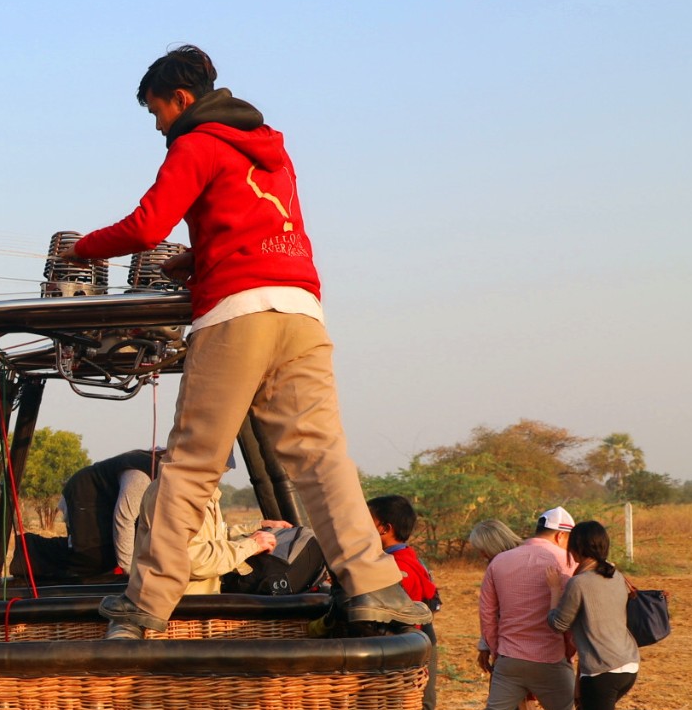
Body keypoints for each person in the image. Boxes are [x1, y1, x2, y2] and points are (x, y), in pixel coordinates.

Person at [55, 46, 428, 639]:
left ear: (180, 99)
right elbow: (258, 223)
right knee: (321, 458)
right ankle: (373, 588)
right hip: (301, 311)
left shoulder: (196, 142)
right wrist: (196, 261)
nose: (158, 127)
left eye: (157, 113)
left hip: (237, 315)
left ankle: (144, 605)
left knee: (192, 463)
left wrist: (83, 249)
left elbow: (148, 225)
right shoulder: (274, 151)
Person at [448, 509, 606, 710]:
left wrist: (498, 652)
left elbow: (487, 616)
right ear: (562, 535)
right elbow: (574, 618)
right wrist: (567, 654)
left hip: (510, 660)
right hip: (551, 660)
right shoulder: (569, 563)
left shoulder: (499, 562)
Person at [550, 520, 644, 710]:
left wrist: (555, 591)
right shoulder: (615, 574)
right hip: (627, 665)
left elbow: (558, 624)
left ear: (576, 549)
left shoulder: (578, 584)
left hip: (602, 670)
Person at [466, 519, 540, 710]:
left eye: (482, 549)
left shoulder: (517, 564)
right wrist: (486, 645)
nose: (480, 555)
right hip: (504, 650)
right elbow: (491, 613)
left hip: (523, 651)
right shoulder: (499, 565)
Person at [369, 495, 441, 710]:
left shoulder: (396, 566)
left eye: (368, 521)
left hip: (409, 651)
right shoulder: (410, 559)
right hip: (419, 645)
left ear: (384, 529)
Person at [133, 482, 284, 595]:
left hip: (201, 601)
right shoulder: (172, 493)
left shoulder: (202, 490)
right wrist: (250, 546)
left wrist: (259, 527)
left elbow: (214, 538)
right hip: (179, 611)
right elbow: (189, 560)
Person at [62, 448, 162, 579]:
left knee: (105, 552)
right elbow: (124, 518)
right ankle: (30, 550)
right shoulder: (141, 476)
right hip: (83, 495)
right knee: (91, 556)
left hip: (103, 501)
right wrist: (130, 573)